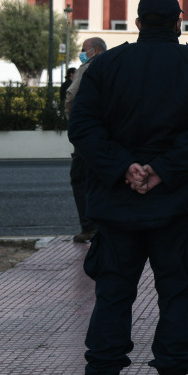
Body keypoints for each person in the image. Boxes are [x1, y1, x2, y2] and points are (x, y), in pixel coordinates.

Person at [68, 0, 188, 375]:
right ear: (179, 22)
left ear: (138, 23)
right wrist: (162, 170)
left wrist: (125, 168)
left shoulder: (105, 66)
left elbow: (82, 126)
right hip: (176, 203)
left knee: (112, 297)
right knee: (177, 296)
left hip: (116, 203)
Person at [65, 37, 108, 244]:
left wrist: (72, 121)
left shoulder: (87, 67)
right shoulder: (114, 66)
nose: (81, 54)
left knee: (80, 178)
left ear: (95, 50)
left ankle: (89, 226)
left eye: (84, 50)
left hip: (88, 130)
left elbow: (71, 95)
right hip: (108, 132)